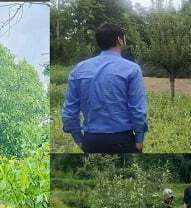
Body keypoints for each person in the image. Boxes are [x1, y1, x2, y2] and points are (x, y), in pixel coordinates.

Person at [62, 23, 148, 153]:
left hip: (91, 140)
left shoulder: (79, 69)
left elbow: (69, 111)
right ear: (119, 40)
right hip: (123, 140)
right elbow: (138, 110)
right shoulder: (131, 68)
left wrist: (79, 139)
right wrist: (139, 140)